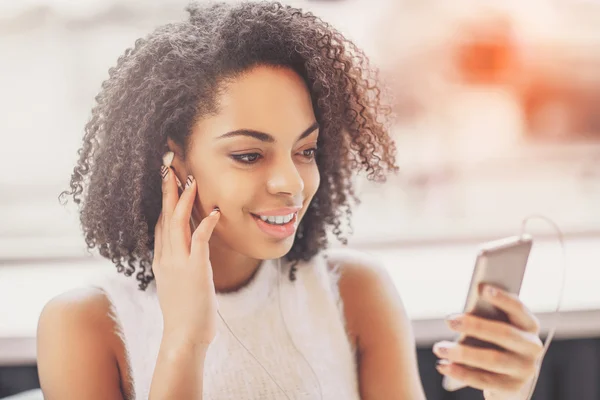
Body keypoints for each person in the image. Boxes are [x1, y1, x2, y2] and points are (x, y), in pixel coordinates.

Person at [36, 2, 544, 399]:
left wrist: (508, 395)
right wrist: (185, 342)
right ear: (176, 161)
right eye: (249, 155)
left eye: (305, 150)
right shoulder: (83, 325)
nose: (292, 183)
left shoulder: (355, 293)